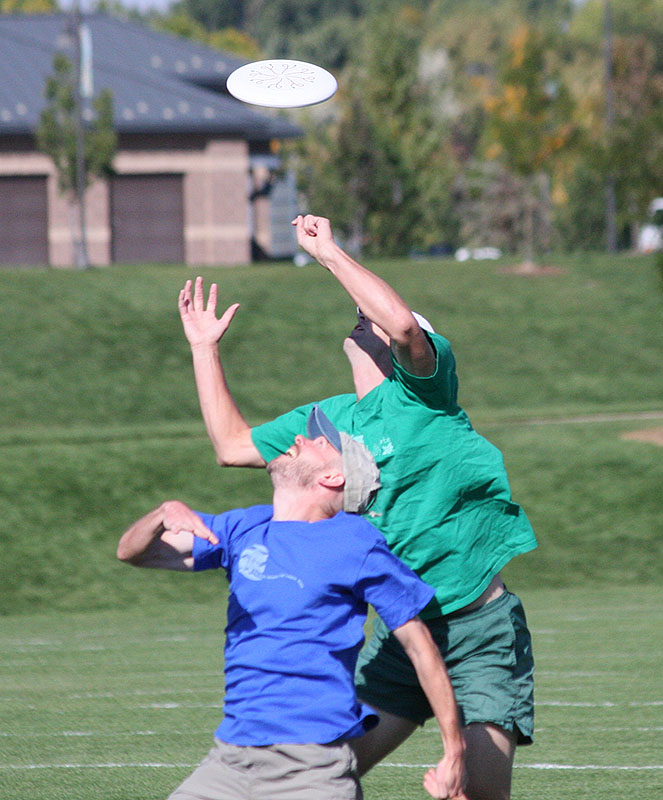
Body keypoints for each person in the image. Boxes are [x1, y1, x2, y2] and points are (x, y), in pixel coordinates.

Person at [177, 214, 538, 800]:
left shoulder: (425, 391)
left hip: (480, 630)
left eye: (371, 314)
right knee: (323, 775)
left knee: (477, 793)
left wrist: (329, 253)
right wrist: (203, 350)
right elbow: (230, 446)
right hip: (402, 635)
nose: (363, 317)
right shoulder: (326, 423)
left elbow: (399, 324)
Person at [117, 406, 468, 800]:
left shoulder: (355, 542)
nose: (299, 438)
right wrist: (162, 514)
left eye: (320, 443)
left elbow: (421, 649)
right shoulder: (243, 527)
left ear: (333, 477)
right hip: (230, 758)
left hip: (311, 768)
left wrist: (454, 750)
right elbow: (133, 553)